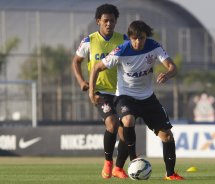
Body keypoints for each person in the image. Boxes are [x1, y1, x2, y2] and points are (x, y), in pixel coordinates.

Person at [89, 20, 184, 180]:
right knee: (128, 120)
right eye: (134, 38)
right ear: (130, 37)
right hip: (125, 97)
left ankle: (170, 174)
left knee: (167, 136)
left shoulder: (154, 46)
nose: (138, 42)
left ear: (146, 37)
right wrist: (92, 92)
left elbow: (172, 67)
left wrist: (167, 74)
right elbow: (97, 67)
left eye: (141, 38)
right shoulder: (121, 50)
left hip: (148, 98)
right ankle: (133, 158)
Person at [72, 4, 129, 179]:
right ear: (98, 21)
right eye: (105, 21)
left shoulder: (124, 39)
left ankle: (119, 167)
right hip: (100, 92)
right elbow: (76, 61)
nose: (109, 24)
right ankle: (108, 162)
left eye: (112, 20)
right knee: (112, 123)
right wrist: (82, 81)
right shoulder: (89, 40)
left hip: (121, 90)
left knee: (126, 128)